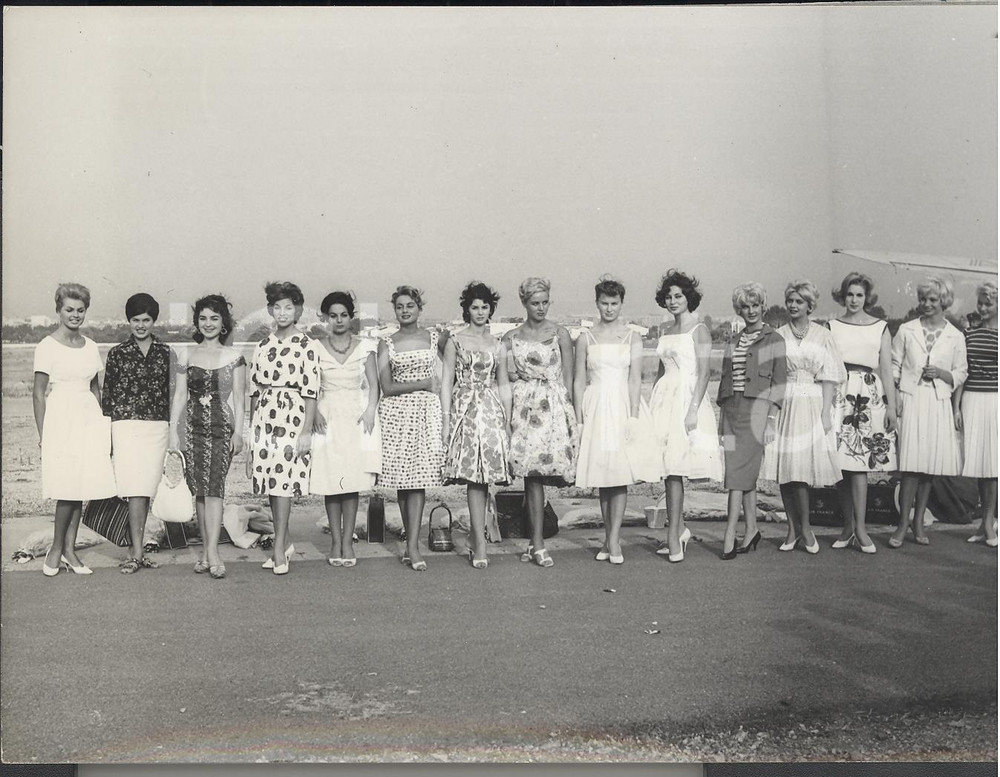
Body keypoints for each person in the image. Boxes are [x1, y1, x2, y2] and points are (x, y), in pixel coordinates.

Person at [32, 283, 117, 577]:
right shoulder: (46, 346)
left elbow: (96, 389)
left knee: (82, 487)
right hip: (60, 418)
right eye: (69, 309)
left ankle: (69, 551)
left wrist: (100, 427)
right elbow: (39, 393)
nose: (75, 315)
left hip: (88, 417)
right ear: (58, 310)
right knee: (66, 487)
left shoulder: (91, 346)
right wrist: (44, 434)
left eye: (80, 310)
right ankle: (56, 548)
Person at [761, 281, 847, 554]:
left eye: (799, 301)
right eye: (790, 301)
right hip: (785, 402)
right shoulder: (778, 334)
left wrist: (825, 413)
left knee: (803, 470)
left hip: (811, 403)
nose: (793, 306)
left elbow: (831, 376)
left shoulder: (823, 335)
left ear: (810, 305)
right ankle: (791, 529)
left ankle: (806, 528)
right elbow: (772, 375)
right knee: (786, 470)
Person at [648, 270, 723, 563]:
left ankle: (673, 535)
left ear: (688, 297)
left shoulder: (699, 329)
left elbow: (705, 373)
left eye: (678, 295)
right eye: (668, 297)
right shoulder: (665, 331)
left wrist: (693, 410)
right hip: (663, 399)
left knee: (676, 466)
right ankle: (678, 530)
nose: (672, 301)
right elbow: (659, 372)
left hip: (687, 400)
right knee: (667, 467)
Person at [169, 294, 246, 579]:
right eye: (203, 318)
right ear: (196, 322)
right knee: (199, 491)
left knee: (215, 489)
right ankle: (205, 552)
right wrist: (173, 432)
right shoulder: (186, 355)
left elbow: (239, 398)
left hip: (221, 429)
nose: (209, 323)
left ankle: (213, 553)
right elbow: (179, 396)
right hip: (192, 428)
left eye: (214, 318)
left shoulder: (235, 357)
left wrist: (239, 432)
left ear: (223, 322)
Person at [503, 277, 578, 568]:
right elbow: (505, 374)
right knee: (530, 475)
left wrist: (570, 412)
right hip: (524, 406)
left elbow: (568, 378)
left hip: (552, 406)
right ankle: (537, 544)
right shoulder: (511, 336)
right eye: (535, 303)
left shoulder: (560, 333)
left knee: (544, 473)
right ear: (524, 303)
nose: (541, 308)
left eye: (545, 302)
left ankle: (536, 541)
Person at [889, 276, 967, 548]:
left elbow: (961, 372)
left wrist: (943, 374)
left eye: (933, 300)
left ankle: (919, 522)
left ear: (943, 301)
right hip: (911, 399)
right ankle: (902, 525)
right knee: (910, 466)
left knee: (929, 467)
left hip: (937, 402)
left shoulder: (955, 336)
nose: (927, 304)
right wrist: (896, 398)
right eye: (923, 299)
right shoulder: (906, 329)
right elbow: (894, 365)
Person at [247, 281, 320, 575]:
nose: (282, 312)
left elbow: (312, 391)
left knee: (284, 483)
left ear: (298, 310)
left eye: (288, 307)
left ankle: (279, 548)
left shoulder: (307, 345)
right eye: (277, 307)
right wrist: (252, 432)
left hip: (292, 415)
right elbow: (255, 390)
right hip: (265, 417)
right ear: (269, 310)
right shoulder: (263, 346)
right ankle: (285, 543)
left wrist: (306, 431)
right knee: (270, 482)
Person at [573, 277, 646, 565]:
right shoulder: (585, 338)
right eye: (604, 303)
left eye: (614, 303)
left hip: (620, 405)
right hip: (595, 405)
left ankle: (614, 540)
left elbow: (636, 378)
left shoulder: (632, 337)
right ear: (597, 303)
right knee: (603, 475)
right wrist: (579, 417)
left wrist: (634, 415)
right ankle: (608, 537)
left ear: (621, 304)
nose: (609, 308)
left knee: (619, 473)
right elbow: (579, 380)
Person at [441, 282, 511, 570]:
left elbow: (504, 382)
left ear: (490, 310)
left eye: (484, 307)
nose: (480, 312)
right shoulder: (456, 341)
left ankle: (476, 536)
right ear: (466, 310)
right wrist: (446, 419)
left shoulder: (498, 344)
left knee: (486, 475)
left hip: (490, 407)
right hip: (464, 408)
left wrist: (507, 418)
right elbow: (446, 381)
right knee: (472, 475)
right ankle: (479, 542)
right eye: (474, 307)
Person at [102, 292, 173, 574]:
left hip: (157, 427)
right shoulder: (117, 353)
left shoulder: (167, 353)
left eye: (146, 320)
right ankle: (136, 552)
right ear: (128, 321)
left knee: (147, 489)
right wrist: (106, 435)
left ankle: (138, 550)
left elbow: (173, 394)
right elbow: (107, 398)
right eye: (135, 320)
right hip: (126, 427)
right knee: (133, 490)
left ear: (153, 320)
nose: (141, 325)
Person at [310, 291, 381, 567]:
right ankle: (335, 542)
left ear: (351, 317)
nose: (338, 320)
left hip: (355, 417)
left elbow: (374, 386)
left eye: (343, 315)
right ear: (326, 318)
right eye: (333, 315)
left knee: (350, 481)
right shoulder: (315, 347)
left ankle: (348, 542)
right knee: (331, 481)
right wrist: (314, 411)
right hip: (327, 416)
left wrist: (370, 411)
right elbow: (310, 386)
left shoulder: (365, 347)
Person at [377, 285, 445, 571]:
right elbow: (387, 386)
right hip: (395, 413)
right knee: (403, 481)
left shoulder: (435, 338)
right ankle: (410, 543)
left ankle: (413, 546)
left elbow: (456, 365)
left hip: (426, 412)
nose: (405, 311)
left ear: (419, 308)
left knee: (418, 479)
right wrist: (425, 384)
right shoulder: (386, 343)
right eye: (400, 307)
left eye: (410, 306)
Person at [828, 272, 898, 551]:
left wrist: (892, 407)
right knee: (842, 465)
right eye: (849, 294)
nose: (854, 299)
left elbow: (888, 372)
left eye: (859, 295)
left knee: (860, 467)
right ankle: (847, 527)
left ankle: (861, 528)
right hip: (840, 394)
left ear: (866, 297)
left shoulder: (880, 326)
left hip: (868, 396)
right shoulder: (831, 326)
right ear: (843, 296)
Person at [717, 282, 787, 560]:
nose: (750, 311)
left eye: (755, 305)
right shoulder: (733, 340)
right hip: (731, 412)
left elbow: (779, 383)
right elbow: (725, 381)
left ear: (763, 307)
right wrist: (721, 421)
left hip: (757, 414)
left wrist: (771, 420)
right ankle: (753, 529)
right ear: (739, 310)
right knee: (743, 474)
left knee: (735, 476)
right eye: (745, 306)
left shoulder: (774, 339)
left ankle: (729, 533)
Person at [954, 281, 998, 547]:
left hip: (995, 400)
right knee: (981, 465)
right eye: (980, 303)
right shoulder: (968, 334)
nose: (982, 308)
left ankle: (988, 523)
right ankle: (985, 524)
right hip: (971, 400)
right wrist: (956, 407)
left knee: (993, 465)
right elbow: (962, 373)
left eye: (988, 304)